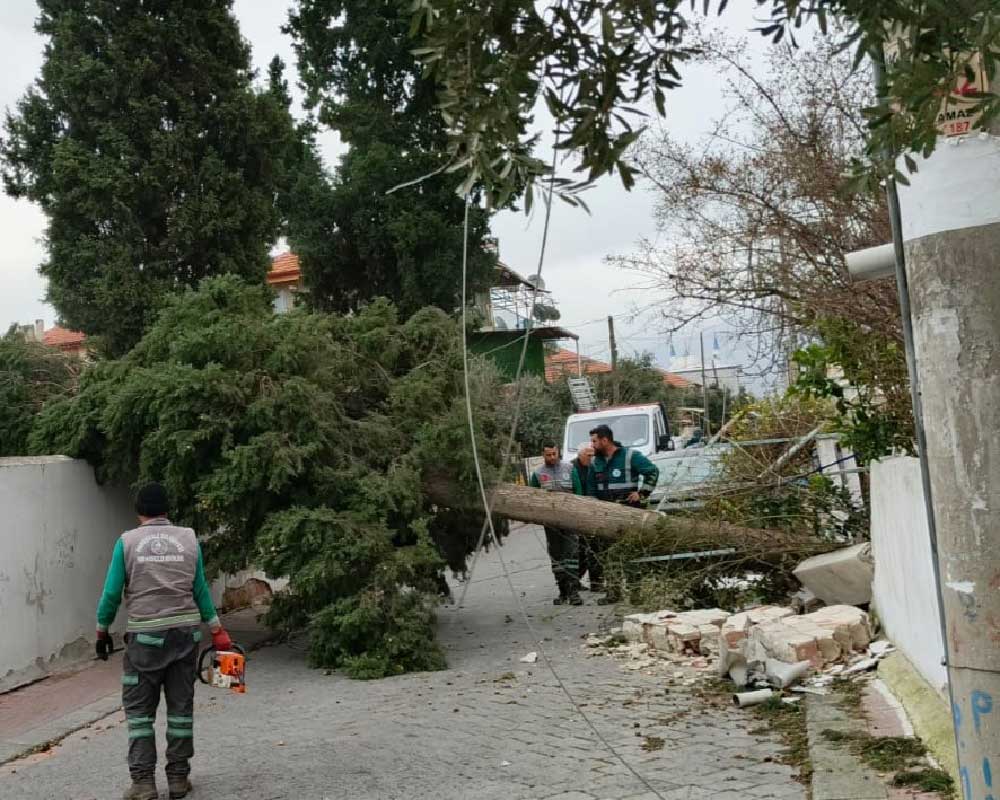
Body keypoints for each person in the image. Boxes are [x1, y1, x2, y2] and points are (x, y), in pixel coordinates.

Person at [95, 482, 233, 800]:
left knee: (140, 713)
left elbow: (112, 593)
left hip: (145, 639)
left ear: (138, 511)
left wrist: (102, 630)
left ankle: (143, 783)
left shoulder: (126, 542)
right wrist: (217, 630)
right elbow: (199, 589)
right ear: (167, 510)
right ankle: (178, 779)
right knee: (181, 709)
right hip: (185, 635)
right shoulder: (188, 538)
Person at [587, 424, 660, 603]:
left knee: (630, 554)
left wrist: (642, 494)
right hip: (606, 516)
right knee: (608, 555)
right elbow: (590, 489)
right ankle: (613, 593)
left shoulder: (630, 456)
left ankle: (636, 594)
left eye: (595, 441)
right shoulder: (595, 462)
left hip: (629, 514)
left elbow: (652, 472)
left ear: (605, 440)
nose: (592, 445)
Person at [529, 442, 583, 605]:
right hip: (551, 524)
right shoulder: (537, 474)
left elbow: (579, 493)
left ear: (558, 452)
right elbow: (533, 498)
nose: (552, 457)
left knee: (572, 555)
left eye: (554, 454)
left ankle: (574, 592)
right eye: (548, 455)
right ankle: (563, 592)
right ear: (543, 455)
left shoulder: (569, 469)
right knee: (557, 558)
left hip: (569, 521)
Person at [571, 444, 604, 590]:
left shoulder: (595, 466)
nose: (592, 458)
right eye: (588, 455)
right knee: (581, 550)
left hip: (593, 512)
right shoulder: (572, 468)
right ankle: (574, 581)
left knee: (593, 548)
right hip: (578, 512)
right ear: (580, 455)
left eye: (593, 455)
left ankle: (596, 582)